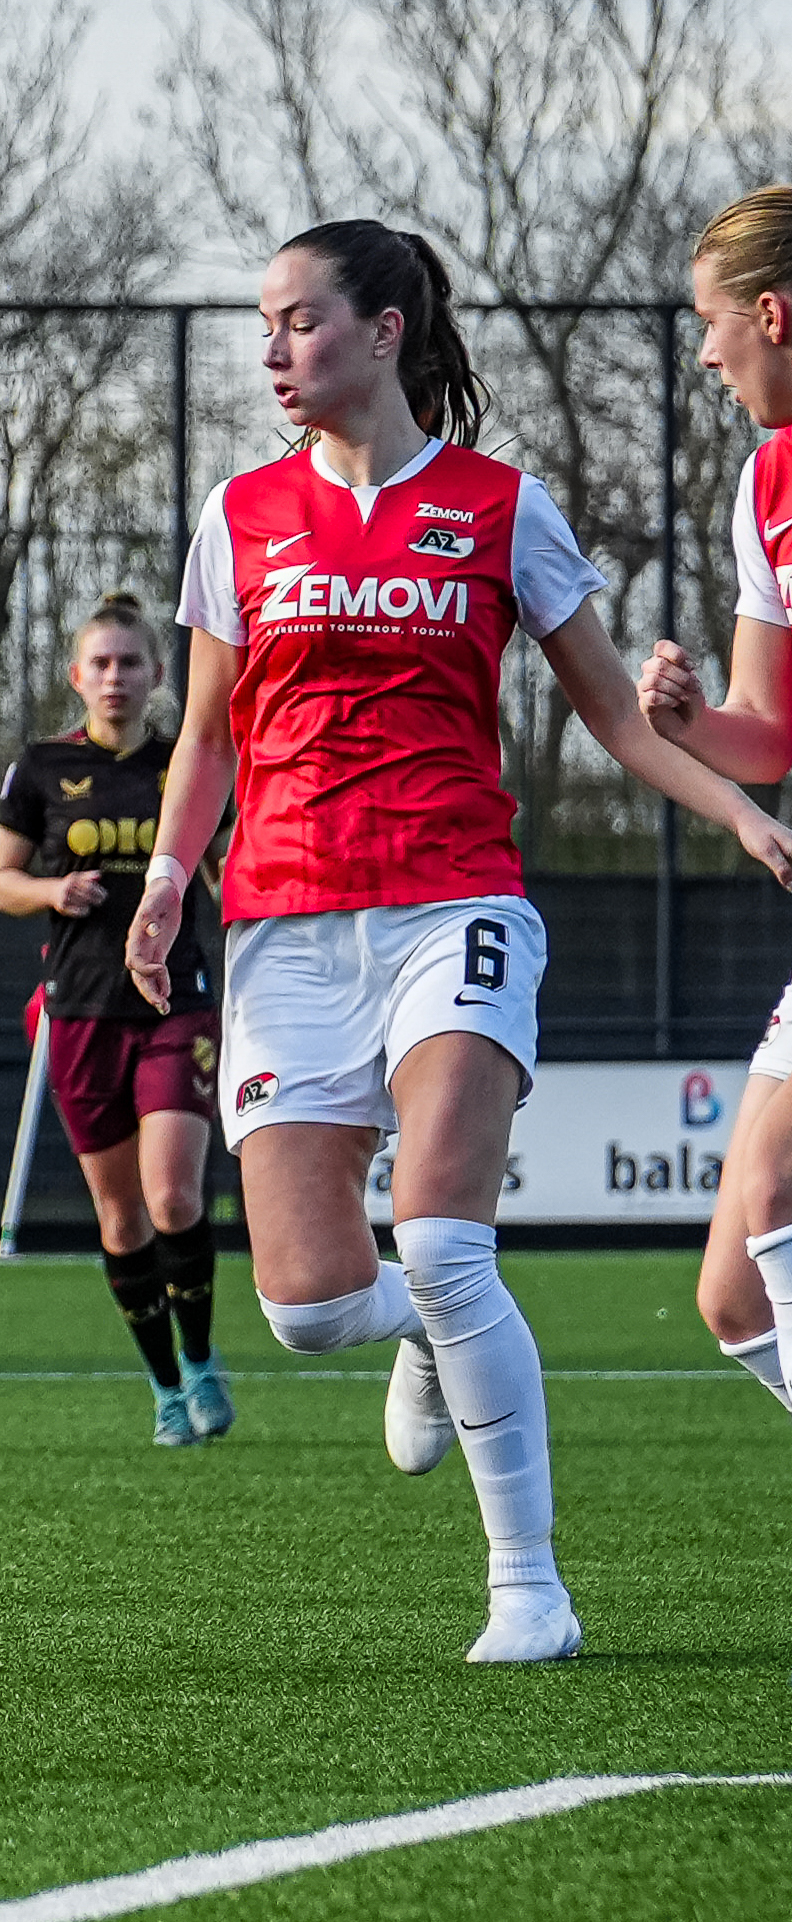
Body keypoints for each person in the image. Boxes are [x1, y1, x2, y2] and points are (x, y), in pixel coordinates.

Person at [127, 219, 792, 1663]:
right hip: (286, 927)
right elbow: (208, 736)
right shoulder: (237, 515)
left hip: (456, 902)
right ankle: (426, 1329)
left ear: (385, 330)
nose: (273, 350)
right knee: (304, 1310)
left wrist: (740, 813)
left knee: (439, 1230)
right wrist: (171, 873)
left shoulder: (501, 507)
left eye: (300, 321)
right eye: (265, 325)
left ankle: (528, 1587)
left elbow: (619, 713)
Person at [0, 594, 233, 1447]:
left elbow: (230, 869)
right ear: (76, 676)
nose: (116, 677)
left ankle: (202, 1360)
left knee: (173, 1194)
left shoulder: (188, 765)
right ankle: (164, 1385)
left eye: (131, 662)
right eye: (101, 663)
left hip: (176, 1001)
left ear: (159, 675)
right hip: (81, 1011)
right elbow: (1, 882)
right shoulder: (41, 770)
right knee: (121, 1219)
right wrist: (54, 889)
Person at [634, 184, 792, 1418]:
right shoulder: (762, 487)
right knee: (734, 1296)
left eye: (709, 320)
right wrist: (690, 723)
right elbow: (766, 732)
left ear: (771, 315)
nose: (702, 350)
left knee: (775, 1198)